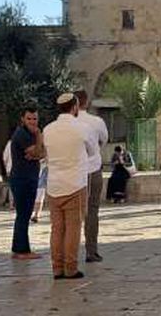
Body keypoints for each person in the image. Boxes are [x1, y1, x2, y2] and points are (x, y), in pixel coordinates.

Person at [44, 93, 94, 280]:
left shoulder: (48, 129)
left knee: (57, 229)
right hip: (75, 184)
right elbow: (92, 151)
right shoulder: (82, 128)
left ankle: (57, 268)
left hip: (54, 185)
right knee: (73, 228)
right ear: (74, 107)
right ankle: (70, 267)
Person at [75, 90, 109, 264]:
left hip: (73, 172)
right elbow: (103, 140)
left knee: (71, 213)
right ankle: (91, 250)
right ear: (86, 102)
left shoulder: (66, 124)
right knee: (92, 211)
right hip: (92, 169)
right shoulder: (96, 122)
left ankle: (69, 252)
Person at [9, 106, 45, 260]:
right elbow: (38, 152)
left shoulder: (29, 135)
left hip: (29, 178)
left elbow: (42, 153)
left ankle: (19, 248)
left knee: (24, 214)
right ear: (22, 119)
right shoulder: (22, 134)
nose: (32, 122)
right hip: (22, 179)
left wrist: (37, 153)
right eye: (29, 118)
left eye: (35, 119)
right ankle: (22, 250)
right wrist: (39, 137)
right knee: (23, 215)